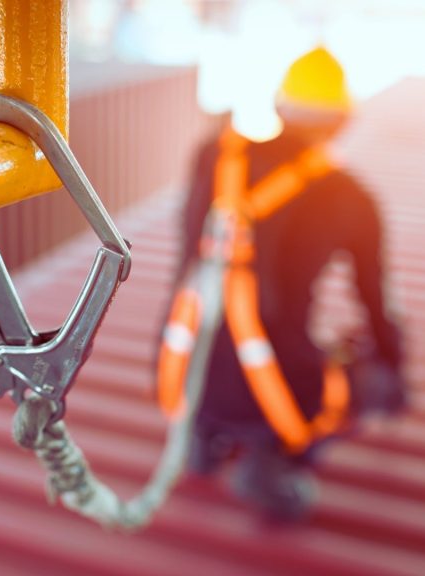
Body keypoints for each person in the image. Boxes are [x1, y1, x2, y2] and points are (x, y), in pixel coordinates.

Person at [156, 46, 407, 521]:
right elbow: (375, 301)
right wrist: (394, 369)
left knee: (229, 330)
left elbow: (187, 257)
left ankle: (205, 438)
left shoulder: (214, 155)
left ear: (277, 107)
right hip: (279, 388)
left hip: (182, 366)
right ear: (342, 122)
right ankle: (273, 459)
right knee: (361, 371)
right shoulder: (351, 197)